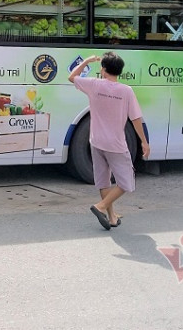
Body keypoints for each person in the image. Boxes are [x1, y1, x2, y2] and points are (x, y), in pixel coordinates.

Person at [68, 52, 150, 230]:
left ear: (103, 69)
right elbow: (136, 118)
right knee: (127, 182)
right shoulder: (126, 91)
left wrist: (87, 61)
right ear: (119, 71)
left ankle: (112, 217)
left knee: (104, 181)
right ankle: (101, 207)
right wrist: (144, 141)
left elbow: (72, 76)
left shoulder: (94, 85)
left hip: (96, 141)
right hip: (116, 145)